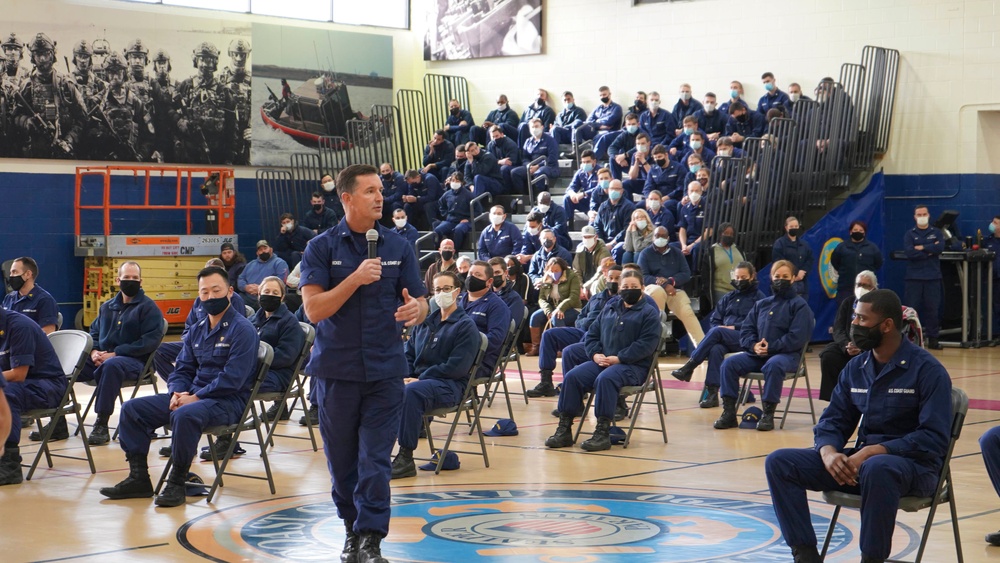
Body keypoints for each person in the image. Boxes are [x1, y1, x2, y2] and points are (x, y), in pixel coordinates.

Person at [299, 164, 428, 562]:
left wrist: (416, 311)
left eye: (380, 190)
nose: (379, 197)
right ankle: (351, 530)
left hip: (386, 370)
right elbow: (313, 310)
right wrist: (354, 279)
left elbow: (420, 301)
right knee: (342, 464)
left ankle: (370, 538)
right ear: (347, 198)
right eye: (369, 190)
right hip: (336, 373)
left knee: (375, 459)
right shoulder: (320, 247)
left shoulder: (397, 246)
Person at [765, 289, 952, 563]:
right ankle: (805, 555)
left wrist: (875, 450)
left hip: (915, 468)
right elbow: (833, 420)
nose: (854, 325)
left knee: (877, 467)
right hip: (863, 467)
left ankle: (872, 559)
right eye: (854, 317)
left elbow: (934, 438)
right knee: (780, 462)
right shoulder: (856, 367)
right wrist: (828, 451)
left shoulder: (927, 370)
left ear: (887, 325)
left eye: (862, 319)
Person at [98, 266, 258, 506]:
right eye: (204, 293)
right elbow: (182, 368)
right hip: (192, 398)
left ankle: (177, 481)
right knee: (132, 409)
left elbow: (232, 379)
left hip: (227, 402)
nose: (210, 297)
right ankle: (139, 478)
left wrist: (195, 397)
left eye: (216, 290)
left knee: (185, 414)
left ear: (230, 291)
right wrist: (177, 392)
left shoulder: (243, 330)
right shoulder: (197, 329)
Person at [544, 270, 661, 451]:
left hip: (634, 366)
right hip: (603, 360)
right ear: (620, 289)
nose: (629, 290)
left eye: (634, 287)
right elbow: (592, 334)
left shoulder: (649, 313)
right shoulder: (610, 307)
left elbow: (646, 345)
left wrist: (619, 358)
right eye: (625, 287)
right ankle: (564, 429)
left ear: (643, 288)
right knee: (573, 377)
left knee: (606, 379)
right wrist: (594, 354)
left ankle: (602, 432)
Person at [390, 271, 481, 479]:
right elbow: (409, 353)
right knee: (387, 387)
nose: (441, 293)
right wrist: (406, 375)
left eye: (446, 289)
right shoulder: (425, 322)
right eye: (437, 289)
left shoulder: (465, 326)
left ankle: (405, 458)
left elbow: (457, 367)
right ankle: (377, 453)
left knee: (411, 392)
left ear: (457, 292)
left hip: (450, 385)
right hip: (420, 382)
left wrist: (420, 378)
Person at [208, 275, 304, 458]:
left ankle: (226, 440)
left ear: (282, 297)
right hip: (253, 372)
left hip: (278, 376)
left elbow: (286, 357)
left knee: (235, 382)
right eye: (266, 292)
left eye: (275, 293)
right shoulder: (252, 321)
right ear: (259, 295)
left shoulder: (289, 322)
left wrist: (250, 361)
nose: (270, 295)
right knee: (216, 375)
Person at [714, 260, 814, 432]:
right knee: (729, 364)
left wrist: (772, 347)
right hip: (757, 354)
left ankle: (768, 413)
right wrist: (753, 346)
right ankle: (729, 412)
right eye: (777, 276)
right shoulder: (762, 304)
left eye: (785, 276)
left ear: (792, 279)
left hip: (787, 356)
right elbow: (746, 330)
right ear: (771, 277)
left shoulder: (800, 306)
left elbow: (796, 338)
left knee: (773, 365)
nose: (780, 280)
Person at [80, 261, 165, 446]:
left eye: (135, 278)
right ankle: (58, 420)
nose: (131, 281)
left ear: (141, 281)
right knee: (68, 364)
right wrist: (94, 351)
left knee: (112, 366)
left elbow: (149, 342)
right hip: (102, 358)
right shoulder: (107, 307)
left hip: (135, 363)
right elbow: (93, 333)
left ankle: (101, 423)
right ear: (118, 280)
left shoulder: (149, 308)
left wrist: (116, 353)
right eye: (127, 277)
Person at [672, 262, 765, 408]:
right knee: (716, 348)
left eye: (744, 277)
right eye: (737, 277)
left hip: (747, 338)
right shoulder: (728, 297)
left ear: (752, 277)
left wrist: (732, 327)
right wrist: (721, 328)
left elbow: (760, 324)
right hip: (724, 337)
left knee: (717, 332)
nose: (740, 280)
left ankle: (690, 366)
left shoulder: (760, 298)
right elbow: (714, 320)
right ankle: (713, 393)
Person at [529, 265, 621, 398]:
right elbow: (580, 318)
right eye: (611, 277)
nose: (613, 281)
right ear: (605, 277)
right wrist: (585, 324)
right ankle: (546, 382)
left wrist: (592, 326)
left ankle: (575, 387)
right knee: (549, 334)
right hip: (582, 331)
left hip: (599, 337)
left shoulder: (623, 301)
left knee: (571, 350)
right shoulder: (596, 298)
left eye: (617, 278)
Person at [0, 308, 66, 485]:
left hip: (47, 385)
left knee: (6, 394)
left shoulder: (20, 326)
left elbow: (19, 374)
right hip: (22, 384)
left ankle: (10, 464)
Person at [638, 226, 705, 347]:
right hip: (653, 290)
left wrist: (670, 281)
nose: (660, 238)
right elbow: (642, 276)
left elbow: (686, 273)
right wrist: (663, 284)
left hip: (673, 290)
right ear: (653, 237)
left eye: (663, 236)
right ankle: (653, 347)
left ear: (668, 238)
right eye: (657, 236)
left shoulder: (676, 252)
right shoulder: (645, 253)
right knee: (658, 294)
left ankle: (702, 347)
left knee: (687, 312)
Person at [820, 271, 877, 402]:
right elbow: (838, 329)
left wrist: (861, 347)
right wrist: (847, 345)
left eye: (866, 285)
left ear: (873, 288)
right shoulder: (848, 302)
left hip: (869, 347)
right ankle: (833, 401)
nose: (861, 288)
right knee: (828, 355)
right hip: (848, 345)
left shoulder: (879, 305)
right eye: (858, 284)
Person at [460, 261, 511, 381]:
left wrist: (465, 345)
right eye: (470, 274)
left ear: (489, 282)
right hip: (453, 354)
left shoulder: (498, 306)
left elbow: (495, 339)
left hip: (480, 360)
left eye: (478, 275)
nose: (472, 278)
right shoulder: (457, 301)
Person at [903, 205, 945, 350]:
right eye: (919, 214)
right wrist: (929, 249)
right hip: (914, 278)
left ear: (929, 215)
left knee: (932, 309)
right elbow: (909, 253)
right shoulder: (910, 234)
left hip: (932, 277)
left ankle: (933, 339)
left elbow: (939, 248)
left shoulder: (937, 232)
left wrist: (921, 247)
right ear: (914, 217)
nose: (921, 216)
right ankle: (910, 339)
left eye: (924, 214)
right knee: (911, 311)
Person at [527, 257, 581, 356]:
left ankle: (562, 347)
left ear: (563, 269)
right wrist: (547, 310)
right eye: (551, 270)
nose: (554, 273)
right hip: (552, 308)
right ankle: (536, 347)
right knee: (535, 317)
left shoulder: (572, 276)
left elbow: (574, 296)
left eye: (557, 271)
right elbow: (541, 298)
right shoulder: (547, 278)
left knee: (557, 317)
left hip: (571, 308)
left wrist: (560, 308)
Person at [830, 220, 883, 306]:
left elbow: (878, 263)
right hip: (846, 287)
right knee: (845, 313)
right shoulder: (842, 247)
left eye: (861, 230)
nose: (858, 232)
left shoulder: (872, 248)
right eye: (855, 230)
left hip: (866, 287)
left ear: (864, 233)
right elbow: (835, 262)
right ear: (850, 232)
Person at [3, 256, 58, 334]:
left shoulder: (44, 300)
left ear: (28, 274)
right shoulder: (9, 298)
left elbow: (48, 333)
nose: (11, 276)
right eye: (11, 273)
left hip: (28, 344)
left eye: (15, 272)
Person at [511, 118, 559, 195]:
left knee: (539, 172)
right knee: (515, 173)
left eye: (536, 126)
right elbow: (524, 157)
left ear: (542, 127)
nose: (534, 129)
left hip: (549, 167)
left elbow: (552, 158)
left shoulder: (550, 140)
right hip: (531, 166)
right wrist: (528, 166)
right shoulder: (528, 141)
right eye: (532, 127)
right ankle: (526, 197)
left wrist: (538, 166)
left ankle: (539, 196)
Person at [238, 240, 290, 310]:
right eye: (260, 250)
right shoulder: (250, 264)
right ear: (257, 253)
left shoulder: (280, 263)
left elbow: (281, 282)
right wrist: (246, 287)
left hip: (267, 298)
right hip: (248, 298)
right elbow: (240, 278)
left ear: (271, 250)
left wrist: (261, 289)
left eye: (265, 248)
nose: (263, 251)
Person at [772, 216, 813, 298]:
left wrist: (803, 271)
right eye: (791, 227)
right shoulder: (779, 243)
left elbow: (810, 259)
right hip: (785, 283)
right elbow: (779, 261)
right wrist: (795, 273)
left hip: (802, 282)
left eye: (796, 226)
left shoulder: (804, 244)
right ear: (786, 228)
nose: (794, 228)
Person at [593, 180, 636, 255]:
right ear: (608, 190)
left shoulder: (629, 207)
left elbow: (627, 229)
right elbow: (597, 225)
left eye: (617, 189)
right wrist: (601, 242)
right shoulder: (603, 206)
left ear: (622, 191)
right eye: (611, 188)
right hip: (604, 240)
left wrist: (613, 243)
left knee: (617, 249)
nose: (614, 191)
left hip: (621, 242)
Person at [707, 223, 747, 304]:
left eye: (731, 234)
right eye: (726, 233)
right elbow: (707, 275)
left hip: (739, 290)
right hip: (721, 290)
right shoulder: (712, 251)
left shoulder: (739, 249)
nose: (729, 236)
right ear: (720, 234)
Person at [434, 172, 474, 249]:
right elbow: (441, 204)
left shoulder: (468, 195)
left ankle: (455, 251)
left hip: (463, 221)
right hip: (450, 220)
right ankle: (437, 250)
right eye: (453, 180)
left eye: (457, 181)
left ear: (462, 182)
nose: (454, 183)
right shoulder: (447, 194)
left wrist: (468, 219)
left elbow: (477, 210)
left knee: (458, 230)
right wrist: (446, 214)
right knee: (437, 230)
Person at [564, 150, 599, 226]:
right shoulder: (581, 172)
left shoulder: (600, 172)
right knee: (567, 198)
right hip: (586, 203)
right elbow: (570, 188)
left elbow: (600, 188)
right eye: (583, 162)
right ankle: (569, 224)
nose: (585, 164)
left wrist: (584, 194)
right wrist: (573, 194)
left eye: (588, 162)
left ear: (594, 161)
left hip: (597, 202)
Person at [488, 257, 526, 326]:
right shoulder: (484, 296)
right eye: (491, 273)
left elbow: (509, 326)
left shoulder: (514, 298)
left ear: (505, 273)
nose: (494, 276)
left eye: (497, 272)